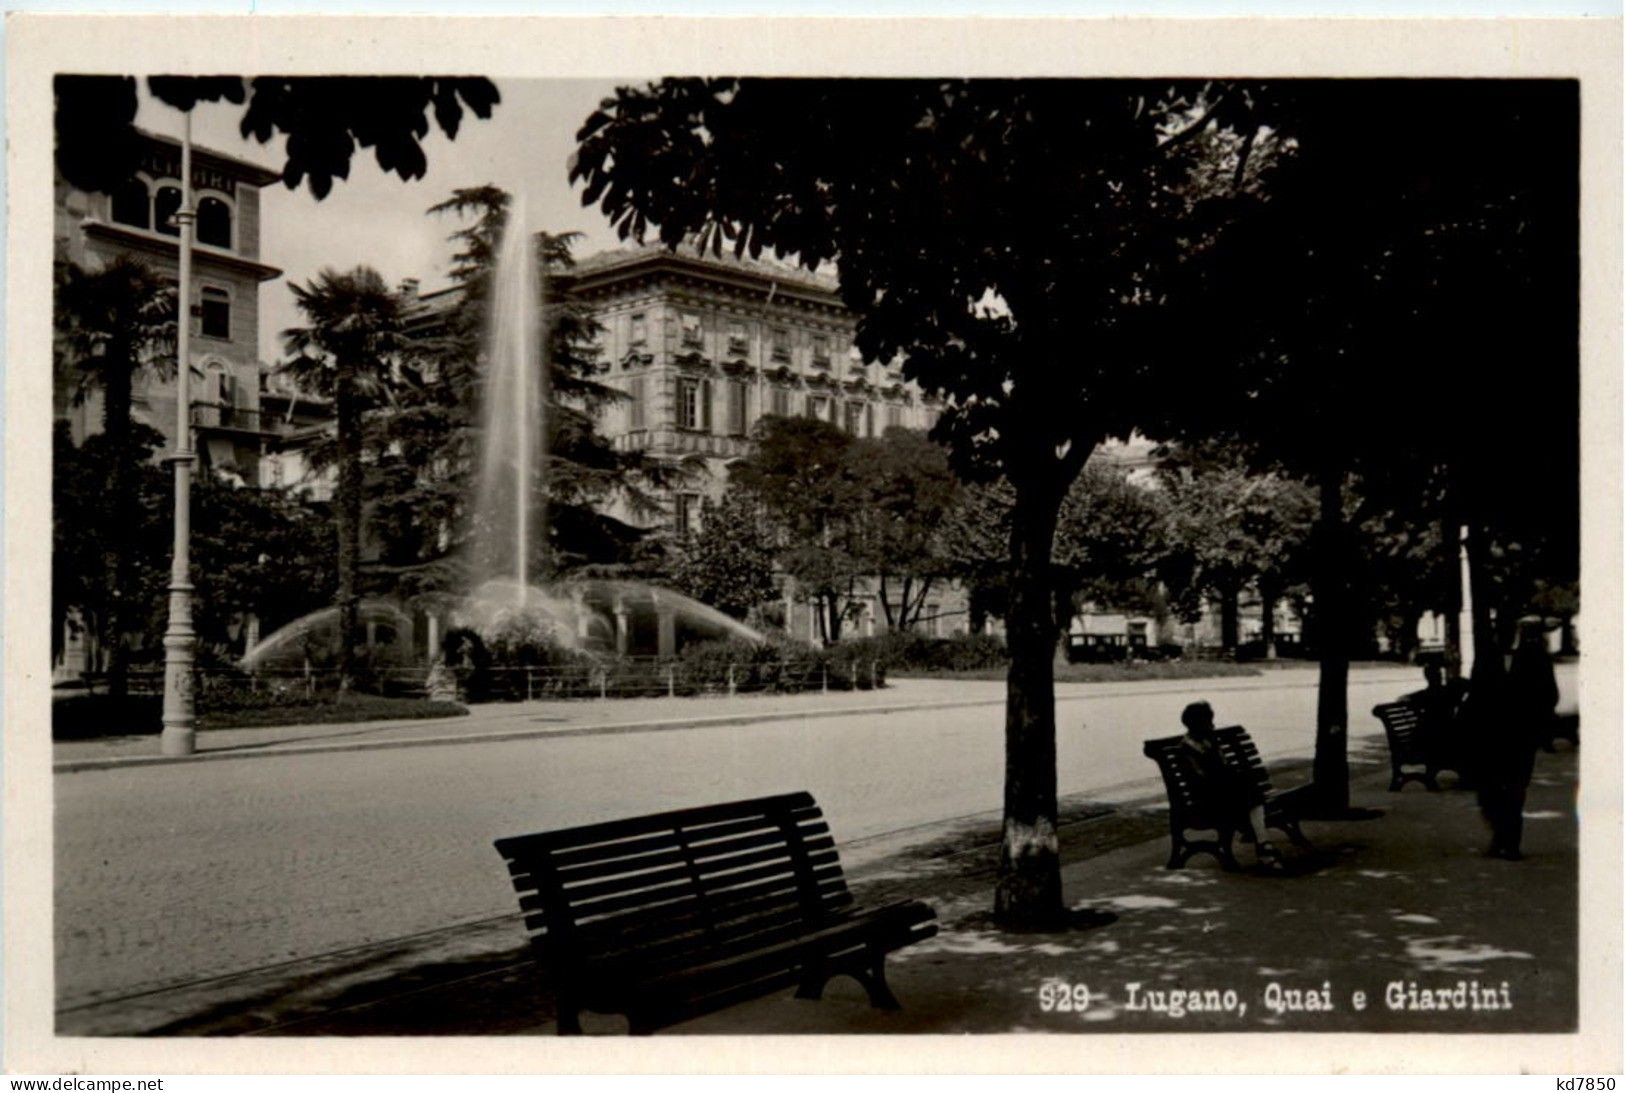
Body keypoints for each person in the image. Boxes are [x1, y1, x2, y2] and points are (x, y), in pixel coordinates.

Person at [1471, 622, 1554, 860]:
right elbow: (1477, 693)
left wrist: (1535, 725)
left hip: (1521, 736)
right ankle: (1499, 835)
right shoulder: (1487, 655)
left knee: (1515, 789)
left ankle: (1511, 843)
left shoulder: (1536, 657)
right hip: (1490, 736)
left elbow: (1549, 694)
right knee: (1488, 789)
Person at [1175, 700, 1283, 870]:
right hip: (1207, 801)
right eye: (1208, 722)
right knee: (1251, 794)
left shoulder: (1208, 741)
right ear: (1197, 724)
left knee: (1250, 791)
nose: (1212, 725)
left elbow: (1222, 769)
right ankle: (1264, 847)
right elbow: (1201, 780)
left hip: (1223, 795)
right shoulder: (1186, 749)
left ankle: (1263, 846)